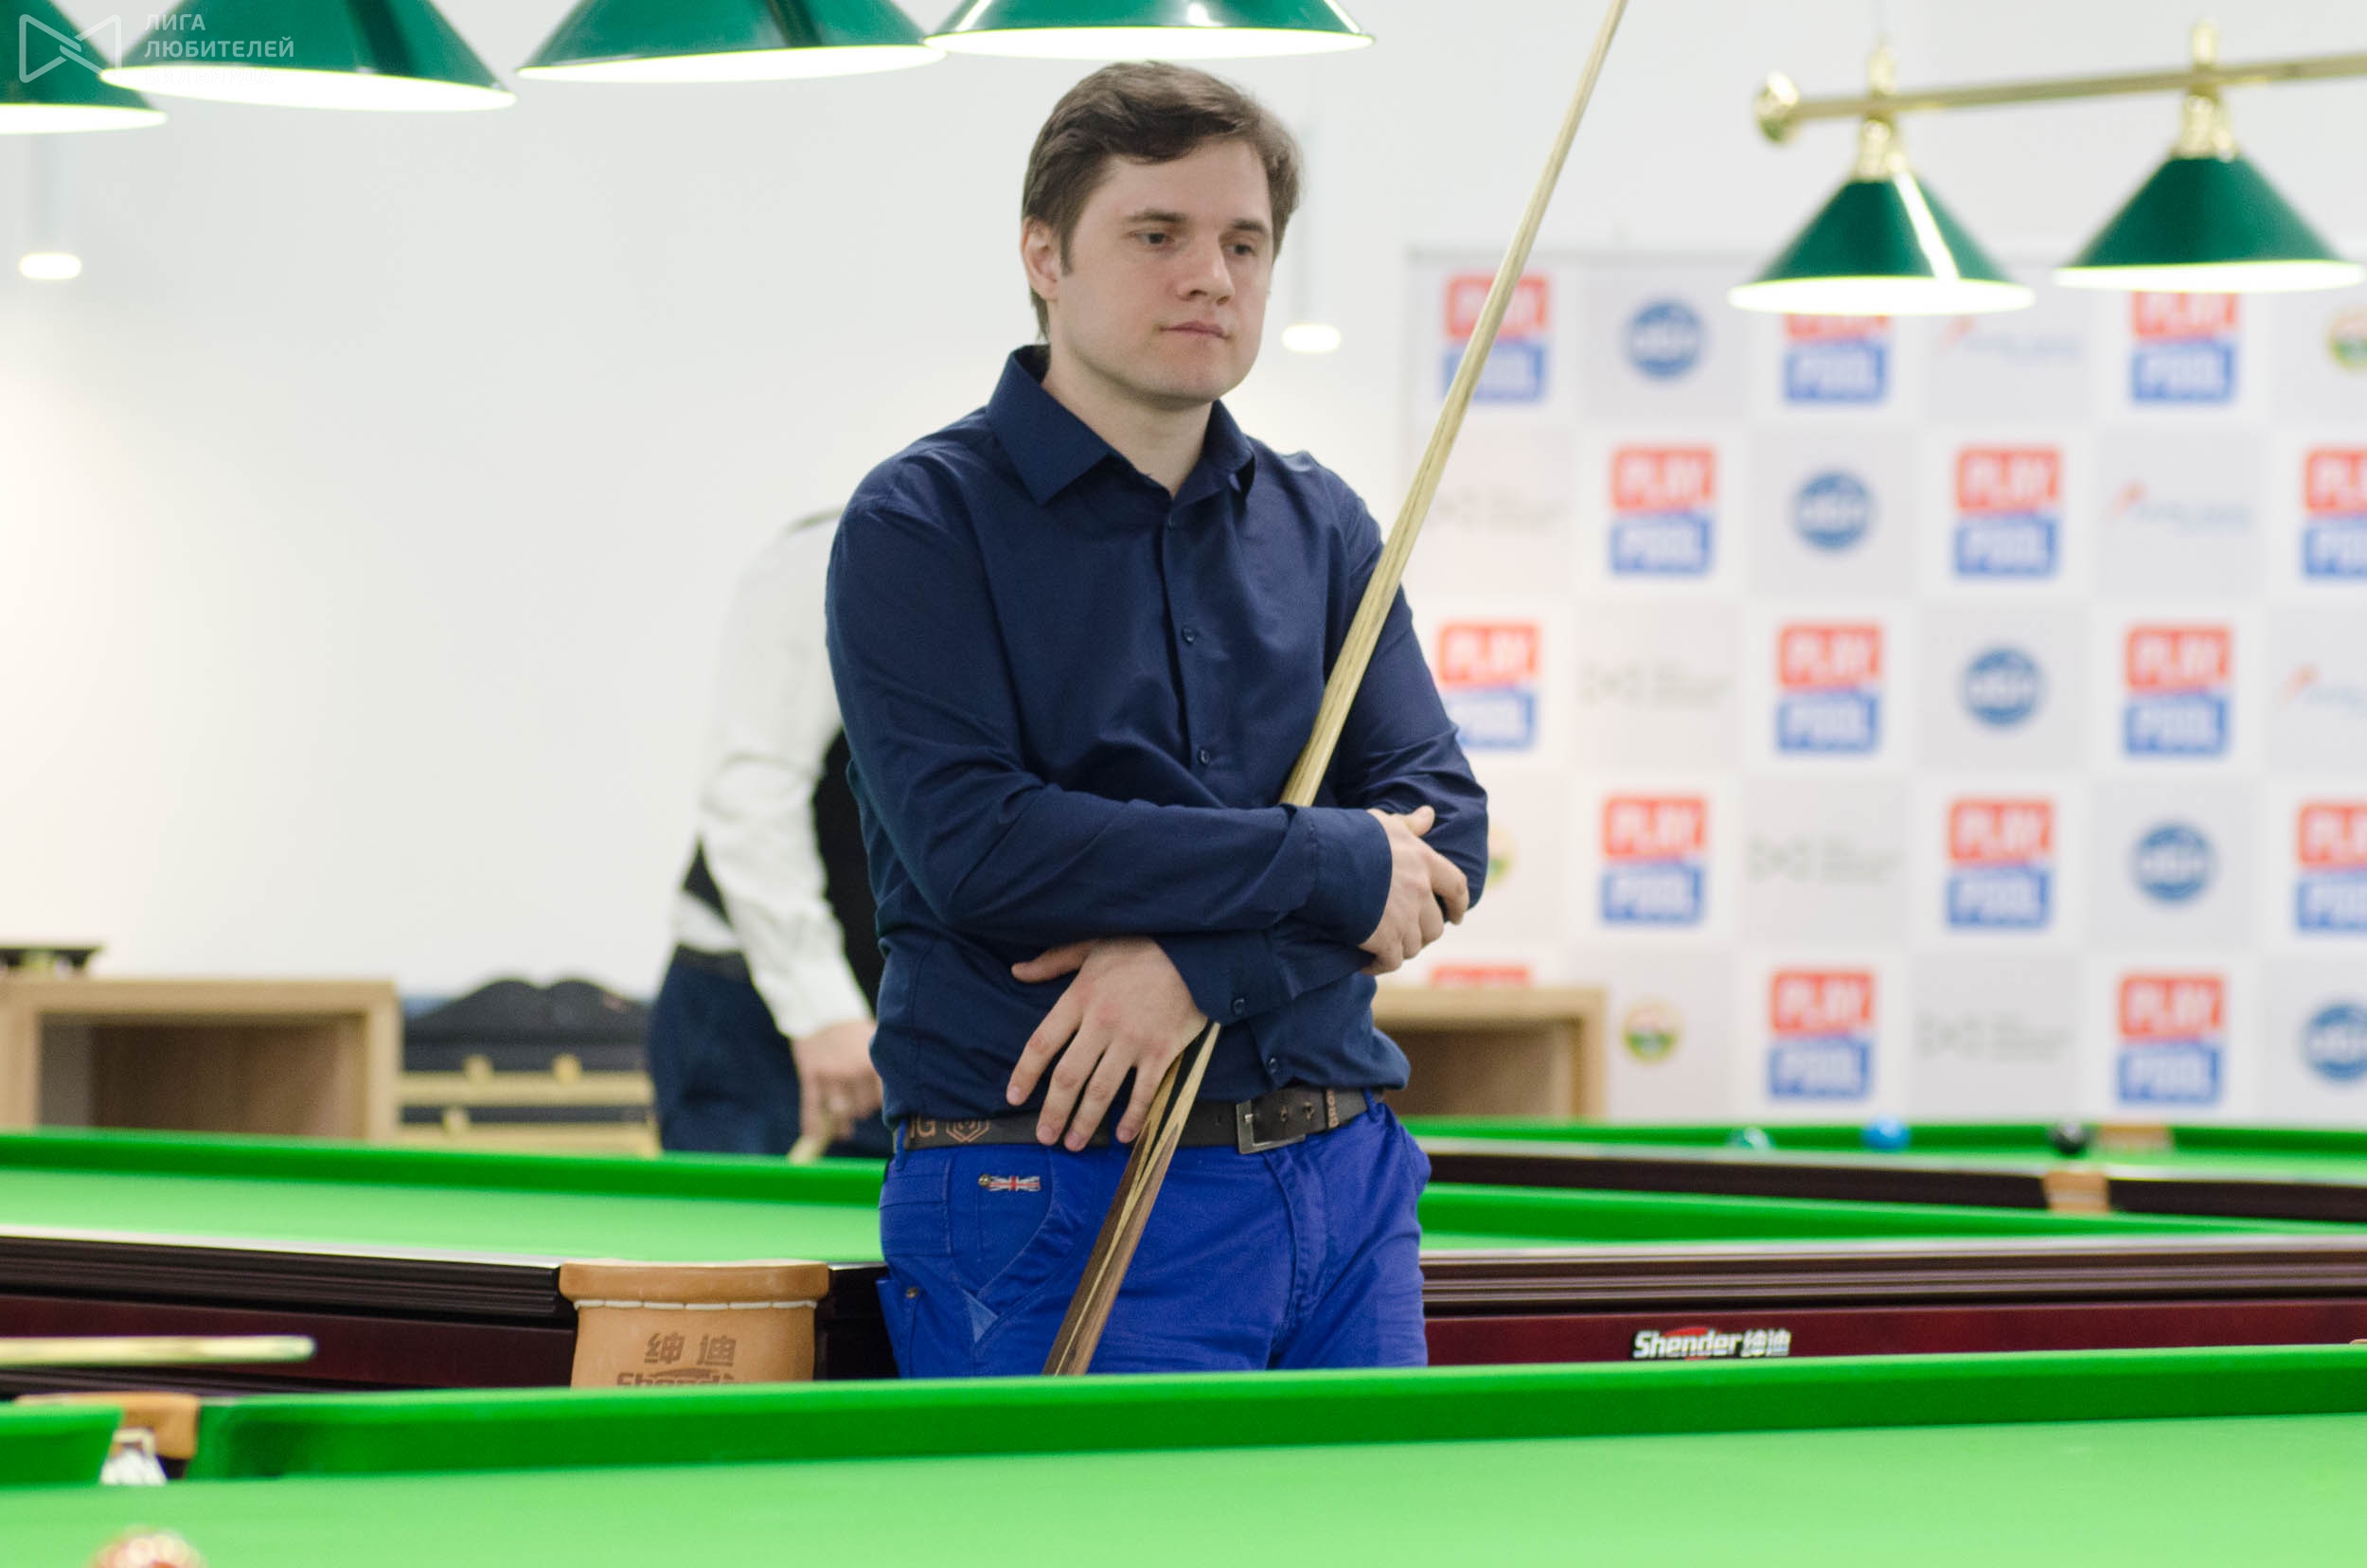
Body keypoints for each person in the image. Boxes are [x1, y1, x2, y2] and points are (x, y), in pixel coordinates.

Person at [828, 62, 1486, 1376]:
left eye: (1244, 242)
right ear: (1045, 256)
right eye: (1156, 235)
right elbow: (985, 847)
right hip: (1053, 1186)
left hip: (1345, 1181)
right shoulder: (919, 524)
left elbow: (1445, 833)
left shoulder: (1322, 524)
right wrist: (1330, 858)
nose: (1210, 277)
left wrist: (1204, 971)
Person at [646, 511, 892, 1158]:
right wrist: (820, 1007)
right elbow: (753, 795)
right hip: (761, 1016)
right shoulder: (836, 553)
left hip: (919, 1015)